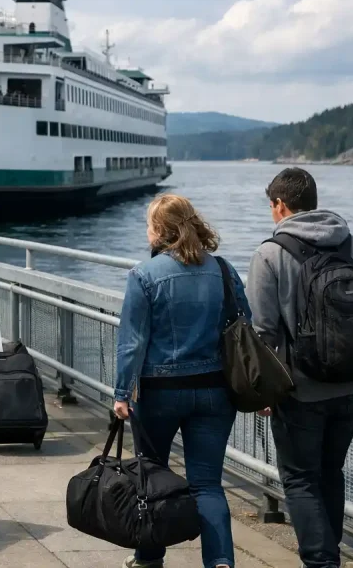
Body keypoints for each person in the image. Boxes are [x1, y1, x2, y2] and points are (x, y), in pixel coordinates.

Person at [246, 168, 353, 568]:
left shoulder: (270, 254)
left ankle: (322, 563)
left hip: (300, 391)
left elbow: (263, 333)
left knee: (301, 479)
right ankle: (329, 557)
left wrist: (264, 391)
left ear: (280, 205)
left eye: (271, 206)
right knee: (330, 472)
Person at [112, 194, 246, 568]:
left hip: (159, 394)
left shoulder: (144, 275)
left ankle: (150, 556)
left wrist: (122, 393)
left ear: (158, 230)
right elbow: (243, 329)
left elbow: (132, 343)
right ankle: (220, 561)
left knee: (151, 476)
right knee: (207, 484)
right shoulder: (223, 270)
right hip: (216, 391)